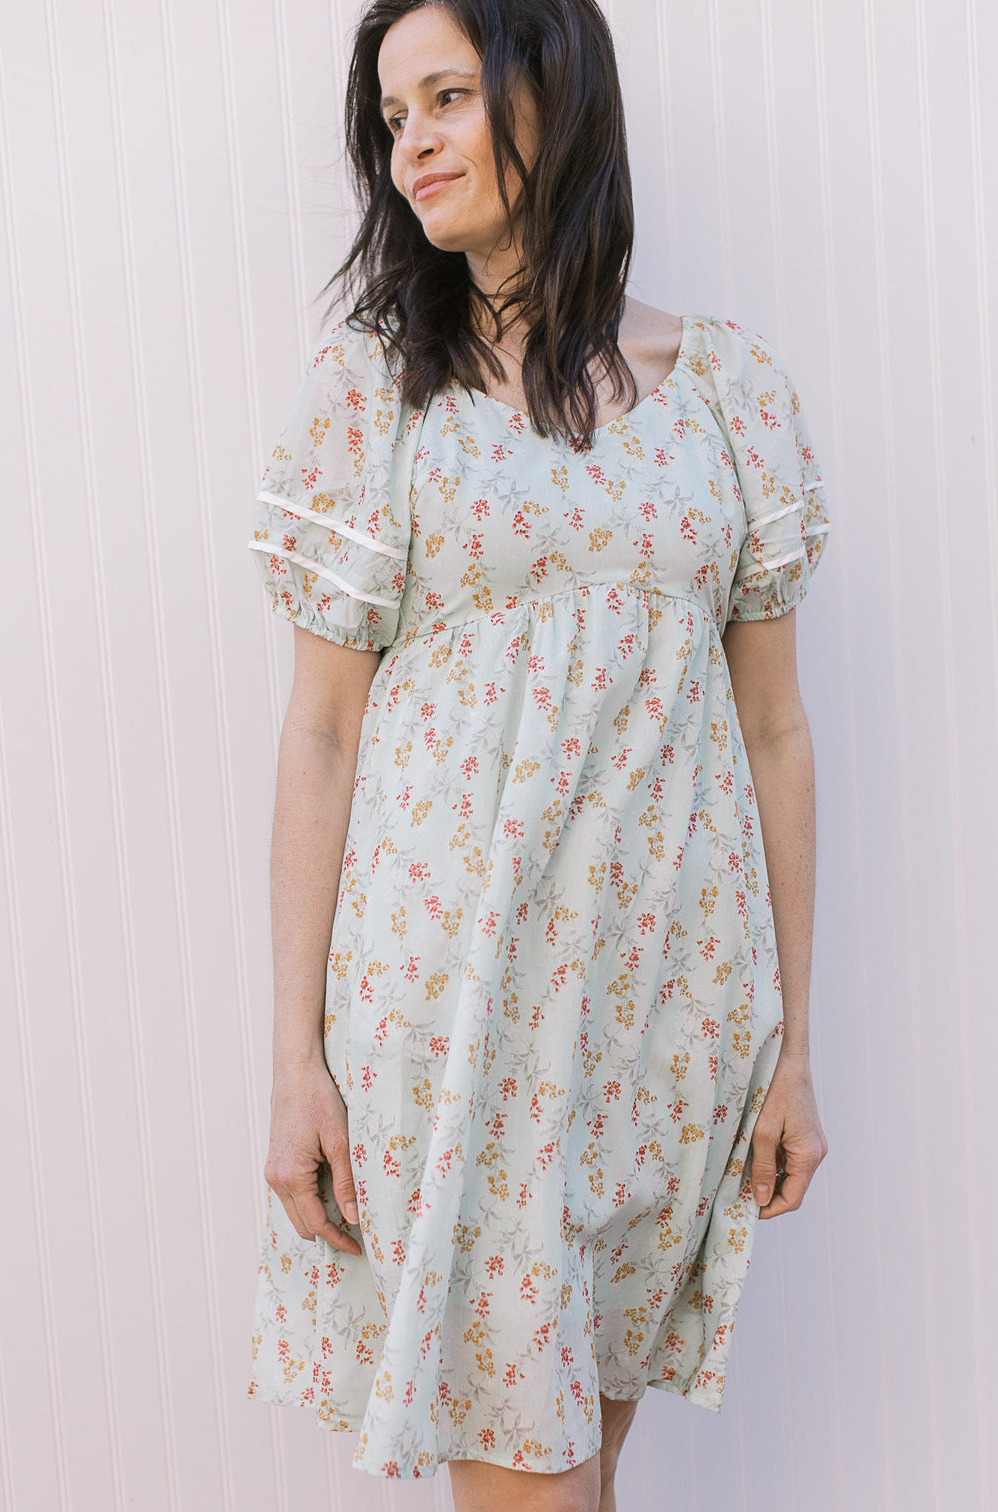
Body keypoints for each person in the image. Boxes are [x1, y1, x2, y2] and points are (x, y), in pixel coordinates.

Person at [246, 1, 831, 1506]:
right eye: (392, 118)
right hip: (461, 1011)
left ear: (553, 91)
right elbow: (318, 738)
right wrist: (292, 1065)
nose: (413, 142)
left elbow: (769, 725)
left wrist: (796, 1049)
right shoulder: (379, 398)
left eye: (446, 96)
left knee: (586, 1465)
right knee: (534, 1479)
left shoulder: (727, 395)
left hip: (664, 1021)